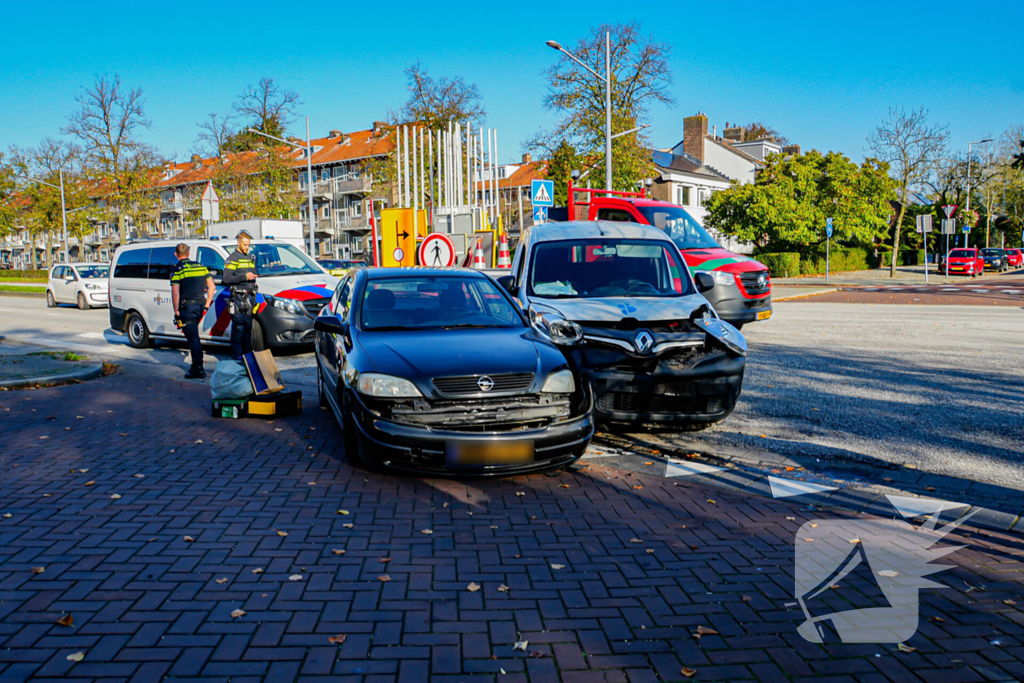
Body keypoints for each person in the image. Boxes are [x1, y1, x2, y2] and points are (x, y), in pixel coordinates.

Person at [170, 243, 216, 379]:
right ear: (189, 253)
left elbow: (175, 293)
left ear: (175, 254)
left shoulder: (177, 269)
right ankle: (196, 366)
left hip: (187, 307)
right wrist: (207, 304)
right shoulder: (201, 267)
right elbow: (212, 287)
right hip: (200, 306)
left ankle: (198, 368)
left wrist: (176, 310)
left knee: (193, 339)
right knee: (193, 336)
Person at [222, 229, 259, 360]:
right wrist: (245, 276)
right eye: (245, 244)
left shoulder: (249, 258)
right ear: (238, 243)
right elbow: (226, 278)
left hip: (249, 297)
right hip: (238, 297)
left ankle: (248, 358)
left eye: (248, 245)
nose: (247, 247)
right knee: (238, 329)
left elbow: (251, 275)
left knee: (247, 329)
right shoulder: (232, 259)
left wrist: (253, 280)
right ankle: (237, 359)